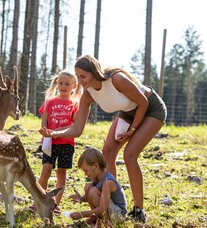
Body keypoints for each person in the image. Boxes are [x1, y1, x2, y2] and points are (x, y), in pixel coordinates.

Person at [39, 55, 167, 223]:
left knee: (129, 155)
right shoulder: (88, 95)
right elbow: (77, 129)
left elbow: (142, 102)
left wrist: (132, 130)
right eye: (77, 77)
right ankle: (111, 205)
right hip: (129, 112)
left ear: (93, 72)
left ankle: (138, 210)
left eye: (83, 76)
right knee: (108, 151)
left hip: (151, 108)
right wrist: (55, 134)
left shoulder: (116, 79)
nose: (80, 81)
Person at [29, 69, 82, 215]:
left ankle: (55, 204)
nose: (63, 86)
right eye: (61, 83)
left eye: (67, 84)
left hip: (66, 144)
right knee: (45, 171)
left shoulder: (75, 105)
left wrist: (56, 132)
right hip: (49, 144)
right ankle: (38, 201)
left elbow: (74, 125)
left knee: (61, 173)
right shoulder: (49, 102)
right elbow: (44, 121)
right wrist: (45, 131)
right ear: (57, 84)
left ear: (74, 86)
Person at [69, 147, 127, 226]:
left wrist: (82, 214)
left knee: (93, 190)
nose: (85, 174)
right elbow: (90, 197)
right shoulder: (97, 178)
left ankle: (106, 222)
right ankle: (99, 218)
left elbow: (102, 208)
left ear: (96, 166)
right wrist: (80, 198)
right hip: (110, 210)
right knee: (88, 187)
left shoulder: (107, 182)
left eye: (86, 170)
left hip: (118, 214)